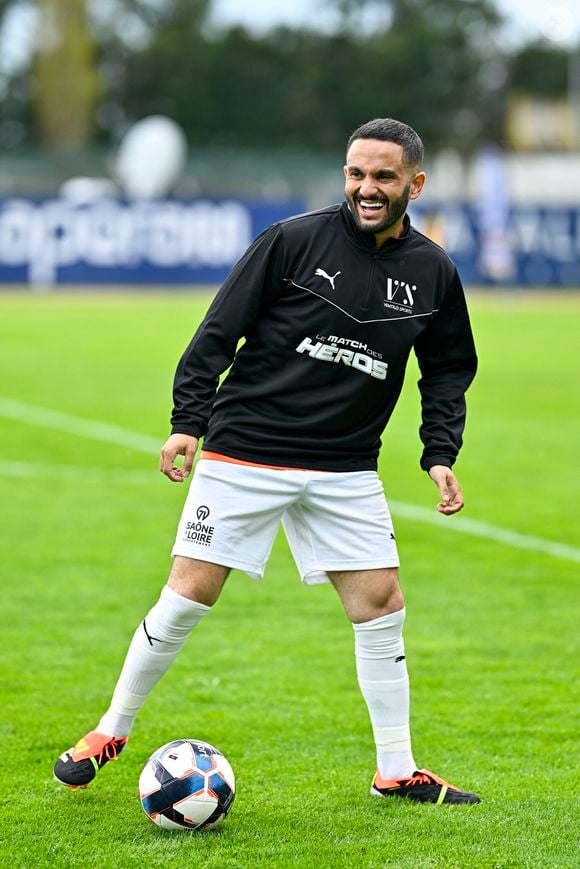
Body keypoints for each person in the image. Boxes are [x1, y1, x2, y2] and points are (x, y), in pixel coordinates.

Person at [54, 118, 480, 805]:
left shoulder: (433, 270)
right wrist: (186, 422)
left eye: (383, 177)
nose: (366, 188)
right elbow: (219, 331)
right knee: (190, 590)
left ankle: (395, 769)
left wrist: (440, 452)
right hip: (247, 450)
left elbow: (449, 368)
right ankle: (111, 729)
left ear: (415, 184)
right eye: (355, 173)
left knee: (380, 604)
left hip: (345, 467)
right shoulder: (291, 240)